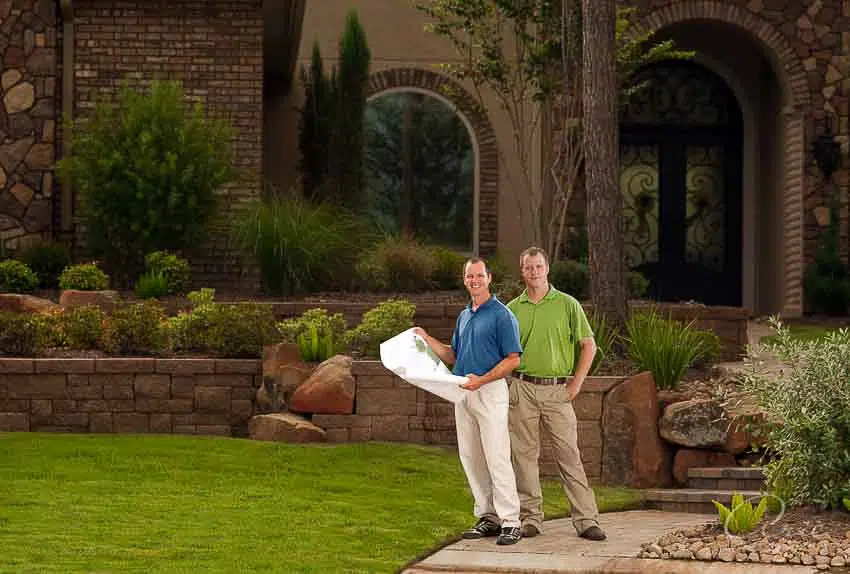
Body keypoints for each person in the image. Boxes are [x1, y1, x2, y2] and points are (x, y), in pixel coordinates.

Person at [414, 257, 524, 546]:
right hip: (462, 391)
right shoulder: (464, 316)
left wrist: (483, 380)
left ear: (489, 278)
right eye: (469, 276)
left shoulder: (501, 315)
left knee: (497, 456)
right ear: (464, 280)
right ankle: (487, 516)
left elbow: (513, 359)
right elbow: (453, 356)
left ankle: (511, 521)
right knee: (471, 457)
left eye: (479, 275)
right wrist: (426, 339)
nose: (474, 280)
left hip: (490, 392)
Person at [506, 246, 607, 541]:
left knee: (569, 455)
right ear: (522, 271)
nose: (533, 272)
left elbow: (589, 345)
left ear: (547, 269)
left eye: (538, 266)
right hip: (521, 388)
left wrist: (575, 384)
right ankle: (530, 519)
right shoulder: (512, 309)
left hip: (557, 391)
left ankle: (587, 520)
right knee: (523, 456)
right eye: (528, 267)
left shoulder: (567, 304)